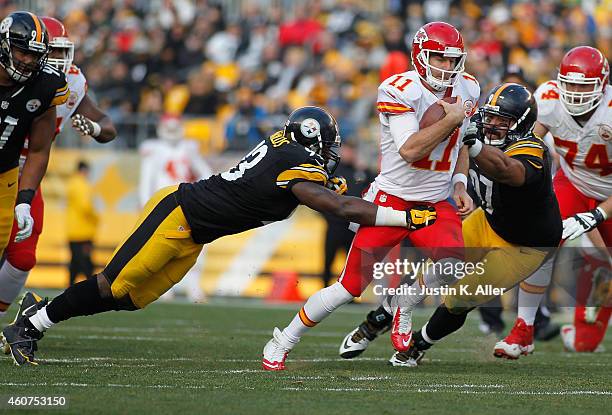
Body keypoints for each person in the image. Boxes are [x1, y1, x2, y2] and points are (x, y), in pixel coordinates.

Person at [1, 106, 436, 366]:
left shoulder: (289, 152)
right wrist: (406, 218)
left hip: (195, 234)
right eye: (327, 143)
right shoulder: (294, 164)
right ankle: (31, 325)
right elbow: (339, 207)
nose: (332, 151)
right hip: (180, 214)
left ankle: (41, 311)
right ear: (311, 140)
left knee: (130, 298)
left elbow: (316, 192)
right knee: (111, 284)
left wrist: (329, 187)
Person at [263, 22, 480, 371]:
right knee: (348, 287)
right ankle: (283, 339)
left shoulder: (469, 86)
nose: (447, 67)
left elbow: (462, 145)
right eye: (439, 58)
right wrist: (452, 118)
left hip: (436, 201)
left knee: (455, 265)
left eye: (453, 59)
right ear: (420, 57)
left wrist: (459, 183)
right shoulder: (397, 89)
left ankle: (403, 304)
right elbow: (410, 150)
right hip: (391, 202)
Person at [386, 83, 562, 366]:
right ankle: (384, 316)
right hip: (489, 220)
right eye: (489, 117)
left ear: (520, 124)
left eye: (501, 121)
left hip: (526, 246)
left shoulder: (531, 148)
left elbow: (510, 171)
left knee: (459, 298)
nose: (491, 125)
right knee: (443, 263)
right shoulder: (479, 134)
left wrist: (475, 145)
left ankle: (418, 345)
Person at [0, 16, 116, 316]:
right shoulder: (16, 76)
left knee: (23, 257)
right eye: (50, 53)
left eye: (60, 53)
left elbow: (106, 126)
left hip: (24, 176)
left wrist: (93, 128)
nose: (56, 60)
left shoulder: (64, 84)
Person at [499, 46, 611, 355]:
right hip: (572, 183)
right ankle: (524, 329)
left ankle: (597, 275)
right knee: (540, 244)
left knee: (584, 345)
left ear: (602, 84)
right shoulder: (548, 99)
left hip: (610, 193)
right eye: (570, 84)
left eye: (583, 86)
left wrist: (598, 215)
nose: (574, 94)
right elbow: (527, 145)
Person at [0, 11, 68, 312]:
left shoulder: (47, 85)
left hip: (5, 174)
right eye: (22, 51)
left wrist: (25, 199)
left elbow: (40, 149)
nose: (27, 60)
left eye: (34, 54)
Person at [139, 115, 211, 302]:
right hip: (163, 202)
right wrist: (146, 203)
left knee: (195, 243)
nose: (171, 133)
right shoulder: (154, 149)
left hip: (187, 202)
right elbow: (146, 180)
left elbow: (205, 172)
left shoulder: (188, 148)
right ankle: (163, 289)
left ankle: (193, 288)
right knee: (162, 247)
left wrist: (203, 193)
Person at [66, 161, 98, 286]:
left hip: (72, 230)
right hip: (83, 231)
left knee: (75, 262)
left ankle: (69, 287)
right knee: (86, 263)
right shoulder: (83, 185)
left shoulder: (72, 183)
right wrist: (96, 218)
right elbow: (86, 207)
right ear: (84, 171)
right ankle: (92, 288)